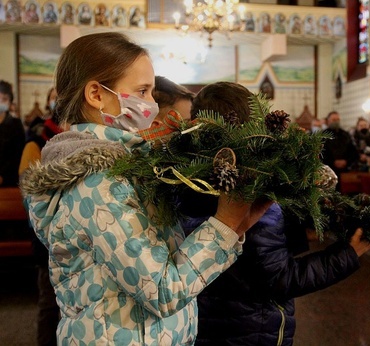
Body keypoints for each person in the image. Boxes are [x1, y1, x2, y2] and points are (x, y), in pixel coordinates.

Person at [18, 32, 271, 345]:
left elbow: (168, 263)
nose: (152, 104)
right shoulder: (95, 181)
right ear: (96, 94)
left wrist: (238, 224)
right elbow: (162, 290)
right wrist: (225, 224)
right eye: (142, 91)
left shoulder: (128, 167)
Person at [182, 81, 370, 345]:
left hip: (209, 320)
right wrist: (350, 252)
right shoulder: (248, 187)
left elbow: (251, 260)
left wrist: (304, 223)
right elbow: (280, 279)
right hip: (249, 328)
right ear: (253, 123)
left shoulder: (188, 175)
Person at [19, 102, 64, 346]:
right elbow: (30, 196)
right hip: (46, 237)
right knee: (49, 304)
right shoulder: (35, 143)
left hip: (75, 236)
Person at [321, 111, 359, 190]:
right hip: (328, 170)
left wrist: (346, 161)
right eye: (333, 120)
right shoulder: (322, 135)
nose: (336, 122)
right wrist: (332, 162)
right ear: (328, 121)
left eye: (337, 119)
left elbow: (353, 152)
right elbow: (321, 153)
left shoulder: (346, 134)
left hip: (345, 170)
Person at [0, 79, 25, 187]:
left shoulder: (16, 124)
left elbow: (18, 154)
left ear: (10, 102)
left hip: (9, 181)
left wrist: (2, 176)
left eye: (4, 99)